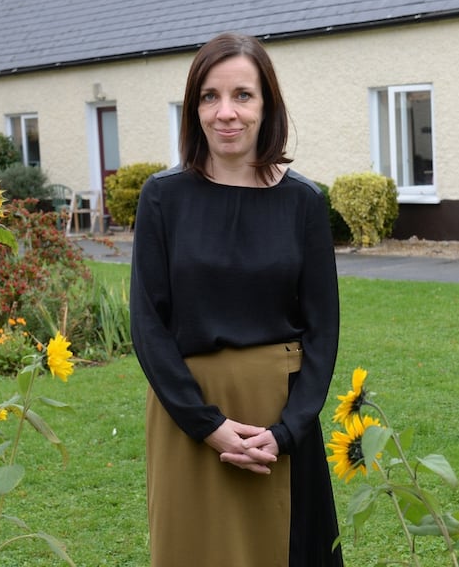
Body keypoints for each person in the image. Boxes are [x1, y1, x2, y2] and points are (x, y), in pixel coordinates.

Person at [130, 32, 344, 567]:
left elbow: (323, 329)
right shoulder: (163, 198)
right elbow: (149, 326)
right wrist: (208, 426)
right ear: (193, 107)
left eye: (242, 95)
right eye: (209, 96)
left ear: (266, 103)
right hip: (188, 419)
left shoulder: (305, 202)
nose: (226, 113)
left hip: (280, 421)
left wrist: (288, 431)